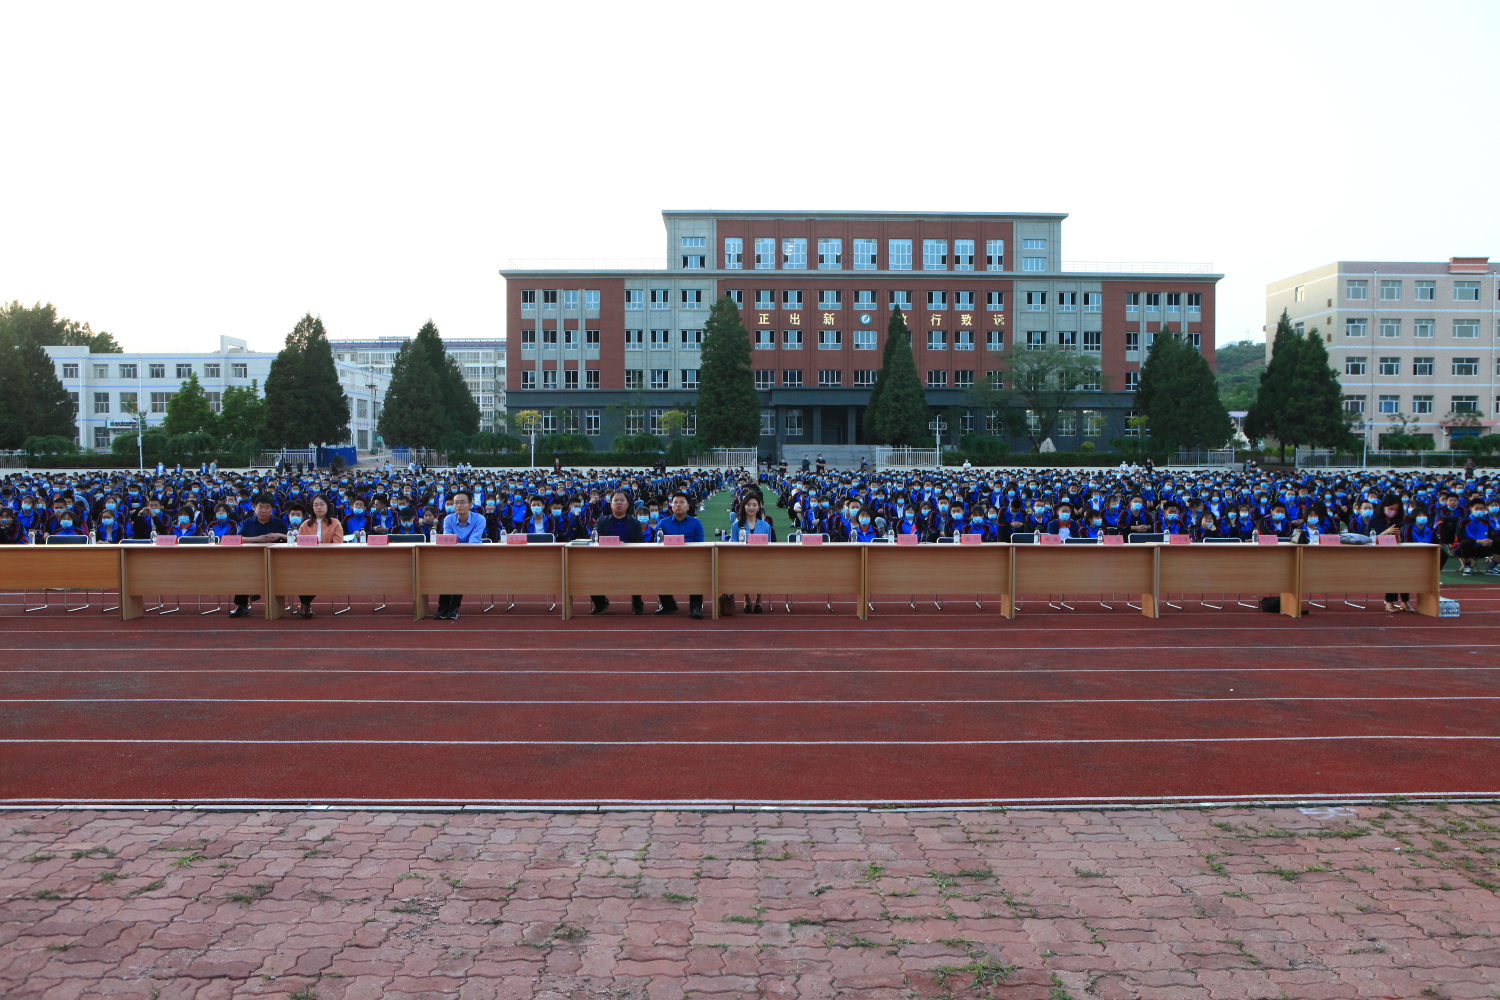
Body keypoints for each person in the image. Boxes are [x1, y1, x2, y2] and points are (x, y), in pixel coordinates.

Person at [230, 496, 289, 618]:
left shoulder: (279, 523)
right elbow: (238, 539)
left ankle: (275, 604)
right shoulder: (248, 522)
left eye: (267, 507)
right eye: (260, 507)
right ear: (254, 508)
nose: (263, 510)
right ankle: (242, 606)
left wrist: (279, 535)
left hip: (274, 560)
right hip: (250, 559)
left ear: (272, 510)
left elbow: (291, 539)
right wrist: (258, 539)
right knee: (242, 570)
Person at [590, 489, 646, 615]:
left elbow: (640, 542)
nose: (619, 503)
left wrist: (626, 545)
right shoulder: (602, 521)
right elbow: (594, 540)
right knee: (589, 572)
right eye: (615, 500)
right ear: (611, 504)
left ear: (627, 504)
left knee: (637, 569)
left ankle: (637, 603)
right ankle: (601, 603)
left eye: (622, 500)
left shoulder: (635, 522)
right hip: (606, 557)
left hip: (629, 557)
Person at [434, 491, 484, 620]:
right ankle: (442, 607)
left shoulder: (479, 519)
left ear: (471, 504)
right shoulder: (448, 519)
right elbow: (448, 539)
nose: (458, 505)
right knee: (447, 573)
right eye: (455, 503)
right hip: (452, 555)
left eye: (462, 502)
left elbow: (474, 540)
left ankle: (453, 608)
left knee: (459, 572)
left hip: (471, 555)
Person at [294, 494, 345, 618]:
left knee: (316, 573)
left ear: (327, 506)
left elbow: (337, 543)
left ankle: (304, 605)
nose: (319, 507)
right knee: (302, 572)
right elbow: (299, 543)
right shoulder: (305, 524)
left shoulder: (335, 523)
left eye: (322, 504)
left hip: (328, 559)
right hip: (308, 559)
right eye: (315, 505)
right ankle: (305, 605)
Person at [656, 491, 705, 618]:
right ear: (671, 506)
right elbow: (657, 542)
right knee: (657, 570)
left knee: (697, 572)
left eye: (682, 502)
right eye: (675, 502)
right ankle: (668, 604)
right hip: (668, 558)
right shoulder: (663, 523)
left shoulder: (696, 523)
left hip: (690, 558)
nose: (678, 505)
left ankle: (695, 607)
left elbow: (700, 542)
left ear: (688, 506)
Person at [727, 493, 775, 613]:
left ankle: (759, 598)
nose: (751, 508)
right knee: (744, 570)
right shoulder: (736, 525)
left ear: (759, 507)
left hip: (761, 558)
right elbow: (733, 543)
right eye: (748, 505)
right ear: (743, 506)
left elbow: (768, 544)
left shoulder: (765, 525)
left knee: (761, 571)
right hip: (742, 558)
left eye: (754, 505)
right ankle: (746, 598)